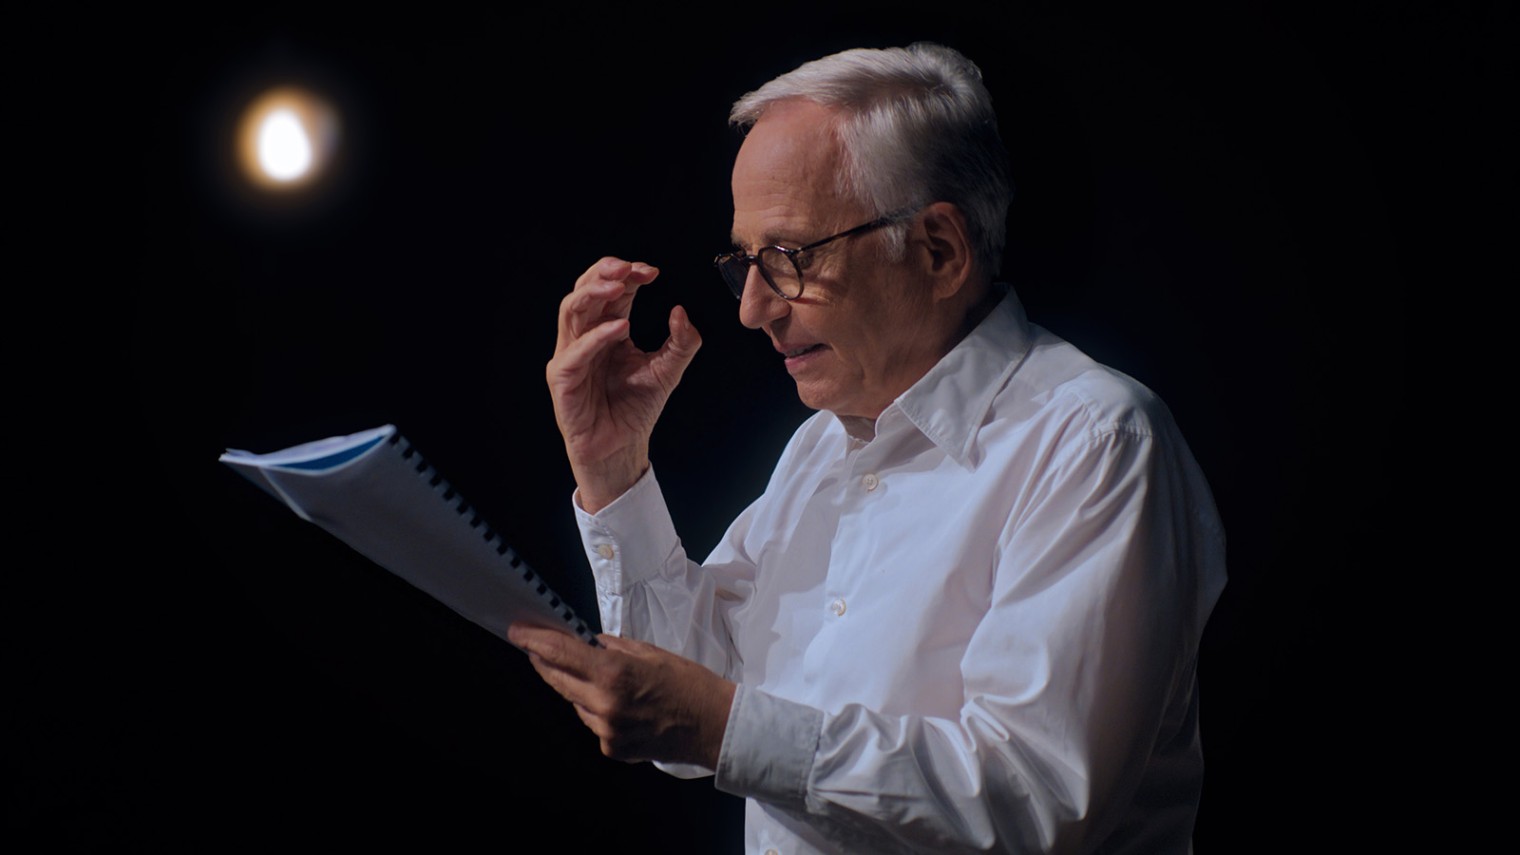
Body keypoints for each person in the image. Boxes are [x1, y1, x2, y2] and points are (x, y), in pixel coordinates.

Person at [509, 42, 1227, 854]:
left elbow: (1034, 800)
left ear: (938, 249)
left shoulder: (1094, 442)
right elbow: (690, 699)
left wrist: (722, 726)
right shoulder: (820, 446)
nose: (752, 310)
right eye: (745, 262)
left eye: (790, 257)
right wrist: (614, 471)